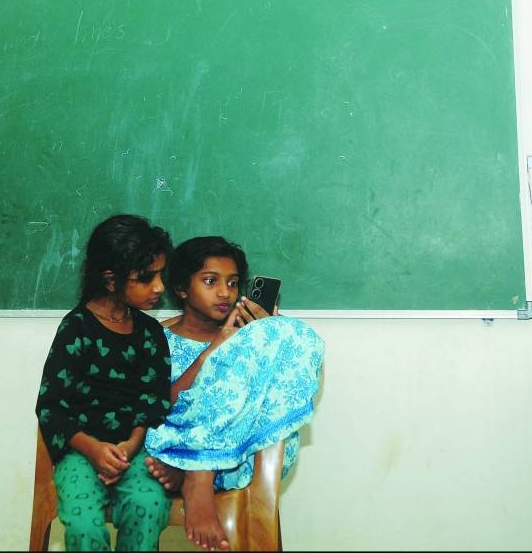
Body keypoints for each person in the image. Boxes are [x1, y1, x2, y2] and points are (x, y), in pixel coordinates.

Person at [143, 236, 324, 551]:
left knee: (291, 333)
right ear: (182, 289)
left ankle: (197, 471)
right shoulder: (156, 338)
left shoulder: (250, 342)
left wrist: (269, 336)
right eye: (211, 281)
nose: (225, 292)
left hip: (245, 458)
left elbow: (283, 393)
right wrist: (212, 352)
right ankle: (195, 468)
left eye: (234, 283)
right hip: (170, 443)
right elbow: (159, 405)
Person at [34, 214, 175, 552]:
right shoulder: (77, 328)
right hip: (80, 452)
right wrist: (94, 450)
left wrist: (129, 446)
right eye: (146, 277)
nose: (159, 287)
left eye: (161, 275)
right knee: (83, 525)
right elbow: (50, 405)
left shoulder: (150, 333)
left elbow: (153, 402)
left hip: (135, 451)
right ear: (111, 280)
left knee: (148, 505)